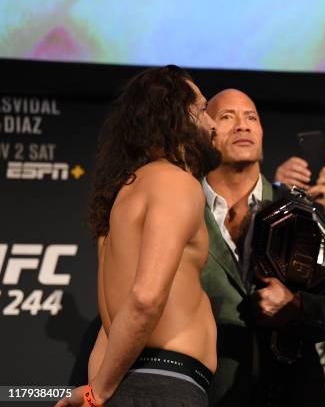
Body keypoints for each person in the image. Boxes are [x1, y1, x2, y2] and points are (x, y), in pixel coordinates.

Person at [56, 65, 221, 407]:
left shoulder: (122, 194)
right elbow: (146, 299)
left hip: (128, 384)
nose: (213, 123)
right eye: (204, 109)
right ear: (177, 116)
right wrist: (98, 392)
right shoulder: (176, 183)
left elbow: (110, 324)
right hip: (165, 388)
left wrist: (95, 392)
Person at [199, 88, 325, 406]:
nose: (243, 125)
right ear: (205, 133)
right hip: (205, 394)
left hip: (292, 393)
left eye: (251, 117)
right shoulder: (181, 209)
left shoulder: (302, 212)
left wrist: (298, 308)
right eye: (227, 117)